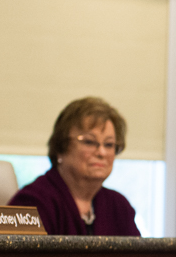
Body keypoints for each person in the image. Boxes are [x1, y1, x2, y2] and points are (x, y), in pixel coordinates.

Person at [9, 97, 139, 236]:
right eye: (89, 142)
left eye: (109, 144)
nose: (102, 152)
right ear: (61, 147)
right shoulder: (30, 202)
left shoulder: (119, 207)